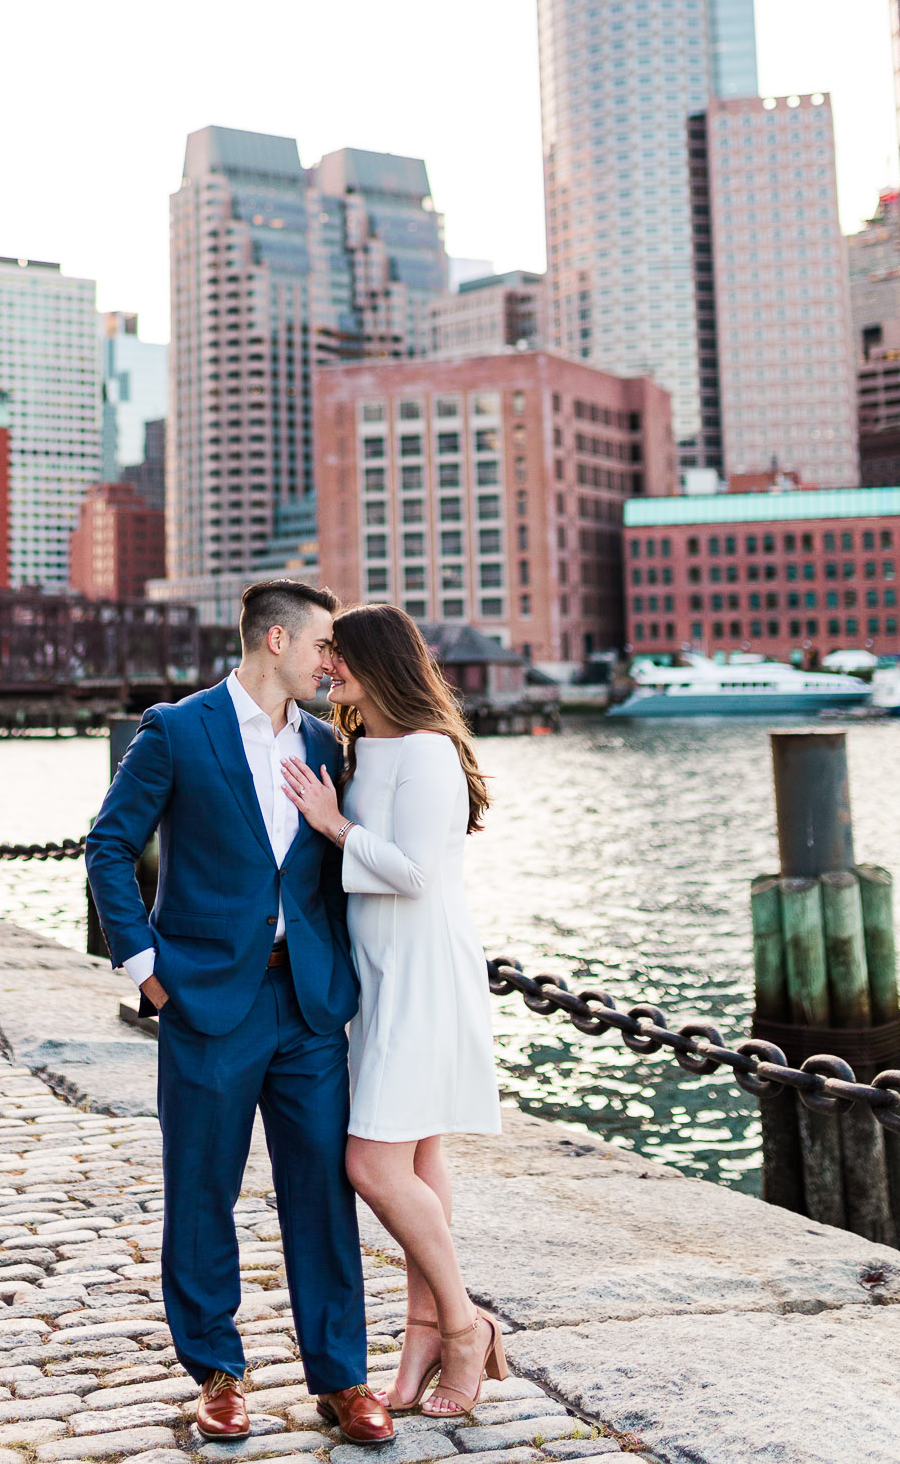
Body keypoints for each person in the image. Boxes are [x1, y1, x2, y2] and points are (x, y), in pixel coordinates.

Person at [85, 579, 395, 1447]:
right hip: (207, 999)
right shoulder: (179, 731)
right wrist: (146, 967)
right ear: (274, 640)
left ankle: (343, 1378)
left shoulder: (332, 746)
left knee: (323, 1195)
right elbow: (109, 845)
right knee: (202, 1191)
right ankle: (217, 1373)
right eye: (323, 646)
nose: (333, 663)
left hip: (307, 1005)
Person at [281, 601, 505, 1420]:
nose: (328, 667)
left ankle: (462, 1324)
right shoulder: (360, 746)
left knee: (372, 1165)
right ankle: (419, 1333)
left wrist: (332, 823)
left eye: (338, 655)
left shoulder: (428, 752)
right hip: (376, 976)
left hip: (421, 973)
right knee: (416, 1161)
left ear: (377, 663)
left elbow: (411, 872)